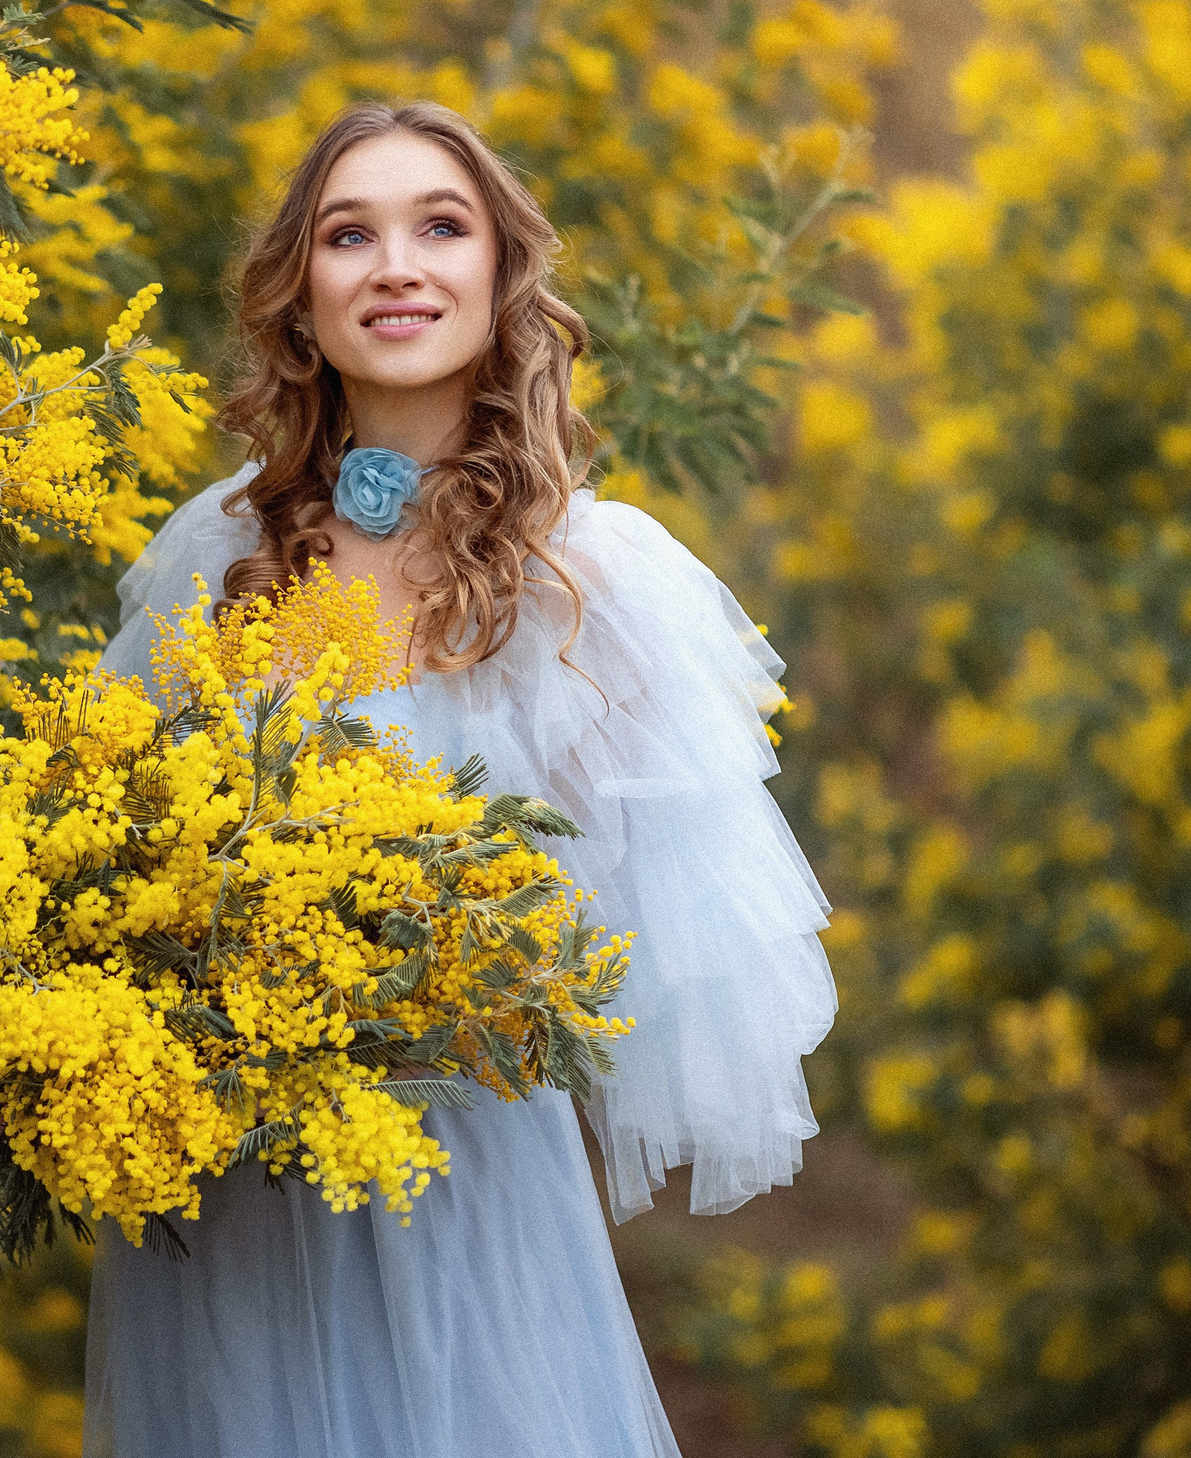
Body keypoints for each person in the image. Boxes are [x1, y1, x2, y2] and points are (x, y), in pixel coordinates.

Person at [81, 102, 837, 1458]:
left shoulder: (590, 585)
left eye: (442, 226)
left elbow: (631, 955)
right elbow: (101, 868)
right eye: (348, 234)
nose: (396, 265)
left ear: (501, 282)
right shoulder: (217, 557)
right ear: (301, 301)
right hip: (232, 1193)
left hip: (458, 1174)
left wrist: (441, 968)